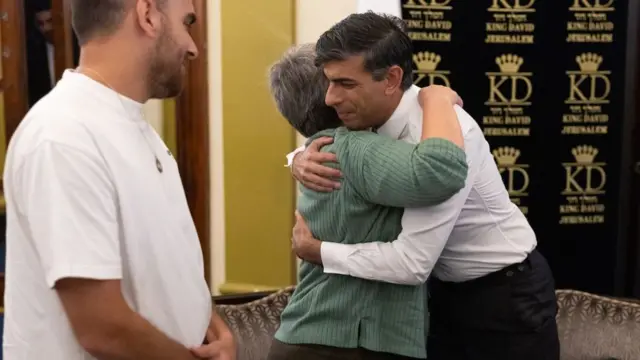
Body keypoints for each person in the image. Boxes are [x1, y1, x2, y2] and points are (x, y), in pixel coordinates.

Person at [288, 12, 560, 360]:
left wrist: (319, 251)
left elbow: (411, 262)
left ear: (391, 79)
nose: (329, 98)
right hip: (440, 295)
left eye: (346, 84)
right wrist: (298, 157)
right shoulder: (365, 119)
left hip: (504, 296)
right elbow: (337, 143)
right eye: (329, 82)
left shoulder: (447, 133)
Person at [2, 1, 234, 359]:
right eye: (187, 23)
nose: (192, 47)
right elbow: (102, 327)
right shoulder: (64, 135)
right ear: (147, 15)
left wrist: (213, 327)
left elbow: (162, 266)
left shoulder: (136, 129)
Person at [266, 44, 468, 360]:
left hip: (313, 336)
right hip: (348, 342)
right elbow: (440, 172)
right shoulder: (357, 149)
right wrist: (438, 99)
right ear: (333, 99)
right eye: (341, 81)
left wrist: (294, 159)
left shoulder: (318, 150)